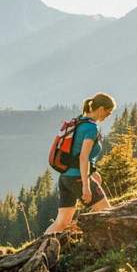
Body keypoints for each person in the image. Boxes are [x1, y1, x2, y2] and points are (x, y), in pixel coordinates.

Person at [44, 93, 116, 234]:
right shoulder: (91, 128)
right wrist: (86, 186)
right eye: (108, 112)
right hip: (77, 178)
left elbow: (75, 154)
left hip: (65, 178)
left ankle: (39, 250)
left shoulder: (79, 121)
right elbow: (84, 157)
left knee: (62, 222)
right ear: (101, 109)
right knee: (107, 213)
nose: (108, 116)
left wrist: (93, 174)